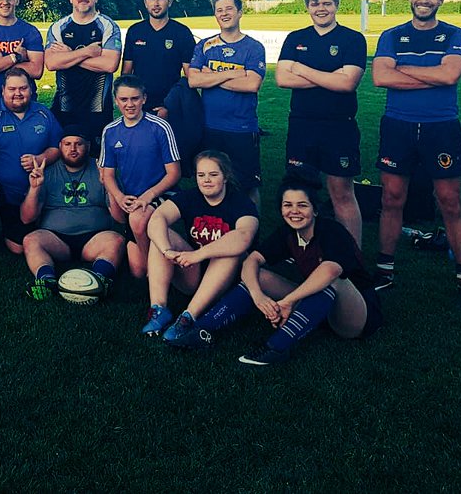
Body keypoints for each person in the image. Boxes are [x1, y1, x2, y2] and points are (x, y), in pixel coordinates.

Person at [371, 0, 461, 312]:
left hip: (441, 127)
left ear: (441, 0)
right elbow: (379, 77)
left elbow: (450, 75)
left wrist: (403, 70)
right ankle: (385, 271)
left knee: (449, 200)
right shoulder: (391, 35)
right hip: (398, 126)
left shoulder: (455, 34)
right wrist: (435, 76)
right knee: (392, 197)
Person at [194, 174, 383, 366]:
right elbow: (252, 260)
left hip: (356, 315)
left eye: (302, 205)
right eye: (287, 205)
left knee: (331, 278)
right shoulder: (288, 232)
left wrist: (288, 301)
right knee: (260, 276)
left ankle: (276, 348)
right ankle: (202, 329)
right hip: (321, 305)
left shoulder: (332, 231)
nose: (294, 211)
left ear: (315, 210)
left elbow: (330, 271)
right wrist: (258, 295)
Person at [275, 0, 368, 244]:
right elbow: (282, 78)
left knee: (341, 193)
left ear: (337, 5)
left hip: (339, 126)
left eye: (327, 3)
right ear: (307, 6)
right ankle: (303, 251)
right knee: (299, 192)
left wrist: (302, 69)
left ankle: (352, 259)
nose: (321, 9)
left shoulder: (352, 39)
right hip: (302, 126)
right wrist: (331, 77)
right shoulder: (296, 38)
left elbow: (348, 83)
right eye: (315, 4)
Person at [140, 151, 259, 345]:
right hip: (192, 272)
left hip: (227, 281)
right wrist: (166, 250)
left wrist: (198, 254)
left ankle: (188, 317)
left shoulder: (242, 203)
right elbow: (157, 218)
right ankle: (159, 308)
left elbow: (243, 237)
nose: (206, 181)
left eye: (213, 175)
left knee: (230, 250)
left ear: (225, 176)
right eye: (201, 175)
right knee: (161, 236)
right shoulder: (190, 197)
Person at [0, 67, 62, 263]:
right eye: (12, 89)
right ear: (3, 91)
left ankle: (12, 226)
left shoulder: (43, 114)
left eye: (23, 88)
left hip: (27, 191)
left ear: (31, 90)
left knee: (17, 248)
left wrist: (41, 158)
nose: (18, 93)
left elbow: (57, 148)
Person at [20, 127, 127, 300]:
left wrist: (108, 184)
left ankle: (100, 279)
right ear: (60, 146)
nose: (73, 149)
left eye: (79, 144)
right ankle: (46, 281)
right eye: (67, 144)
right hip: (56, 239)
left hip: (95, 237)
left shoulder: (102, 169)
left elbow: (120, 218)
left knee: (116, 240)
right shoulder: (47, 171)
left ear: (89, 146)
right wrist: (34, 188)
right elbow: (27, 218)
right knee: (31, 240)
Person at [186, 0, 266, 211]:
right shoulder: (205, 45)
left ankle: (251, 236)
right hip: (210, 128)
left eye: (229, 9)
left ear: (240, 12)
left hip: (242, 128)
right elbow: (193, 80)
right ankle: (218, 230)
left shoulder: (253, 47)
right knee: (212, 183)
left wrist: (210, 76)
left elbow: (252, 85)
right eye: (219, 10)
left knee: (247, 185)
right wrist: (234, 74)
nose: (224, 14)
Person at [98, 75, 181, 278]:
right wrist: (119, 197)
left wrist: (148, 196)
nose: (130, 104)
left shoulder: (160, 127)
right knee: (137, 273)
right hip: (130, 198)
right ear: (116, 101)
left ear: (144, 99)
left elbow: (174, 173)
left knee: (137, 219)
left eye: (135, 99)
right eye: (124, 100)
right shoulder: (110, 131)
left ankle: (156, 269)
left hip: (162, 194)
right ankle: (147, 254)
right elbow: (107, 174)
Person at [44, 0, 122, 140]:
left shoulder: (107, 26)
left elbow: (110, 64)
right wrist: (86, 52)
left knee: (97, 161)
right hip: (65, 108)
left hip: (98, 110)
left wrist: (68, 55)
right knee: (66, 159)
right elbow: (51, 63)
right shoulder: (58, 27)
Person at [121, 0, 196, 115]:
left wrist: (171, 105)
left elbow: (190, 77)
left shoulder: (182, 33)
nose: (156, 4)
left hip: (170, 107)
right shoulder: (135, 31)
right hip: (140, 106)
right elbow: (126, 74)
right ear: (145, 2)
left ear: (170, 1)